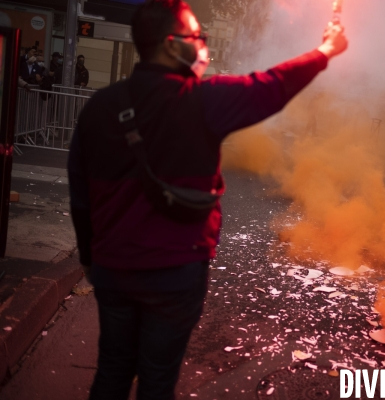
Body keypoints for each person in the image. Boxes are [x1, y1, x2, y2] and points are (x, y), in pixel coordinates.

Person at [67, 0, 347, 398]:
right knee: (157, 377)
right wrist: (325, 52)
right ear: (169, 43)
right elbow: (270, 86)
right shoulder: (204, 100)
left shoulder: (99, 107)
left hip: (114, 268)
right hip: (176, 271)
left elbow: (80, 194)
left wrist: (90, 259)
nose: (203, 43)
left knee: (112, 370)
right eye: (197, 35)